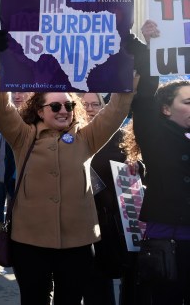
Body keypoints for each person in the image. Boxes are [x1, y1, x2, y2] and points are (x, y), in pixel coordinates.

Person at [0, 30, 137, 304]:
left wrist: (129, 63)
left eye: (68, 105)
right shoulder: (23, 137)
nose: (63, 110)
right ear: (39, 110)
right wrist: (2, 63)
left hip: (77, 244)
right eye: (55, 106)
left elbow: (116, 109)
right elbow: (3, 108)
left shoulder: (86, 137)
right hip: (29, 243)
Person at [125, 19, 190, 304]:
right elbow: (144, 98)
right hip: (168, 243)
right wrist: (152, 48)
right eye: (187, 102)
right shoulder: (155, 135)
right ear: (165, 109)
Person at [80, 92, 143, 305]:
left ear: (103, 107)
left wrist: (136, 165)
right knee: (94, 282)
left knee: (127, 275)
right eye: (84, 104)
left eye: (95, 104)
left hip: (116, 221)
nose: (90, 109)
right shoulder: (69, 136)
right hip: (81, 220)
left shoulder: (119, 136)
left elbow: (138, 164)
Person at [0, 91, 30, 234]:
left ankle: (2, 232)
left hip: (16, 175)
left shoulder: (31, 124)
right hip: (4, 175)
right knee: (6, 204)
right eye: (13, 92)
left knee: (3, 205)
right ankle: (4, 233)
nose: (17, 96)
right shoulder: (2, 129)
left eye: (21, 92)